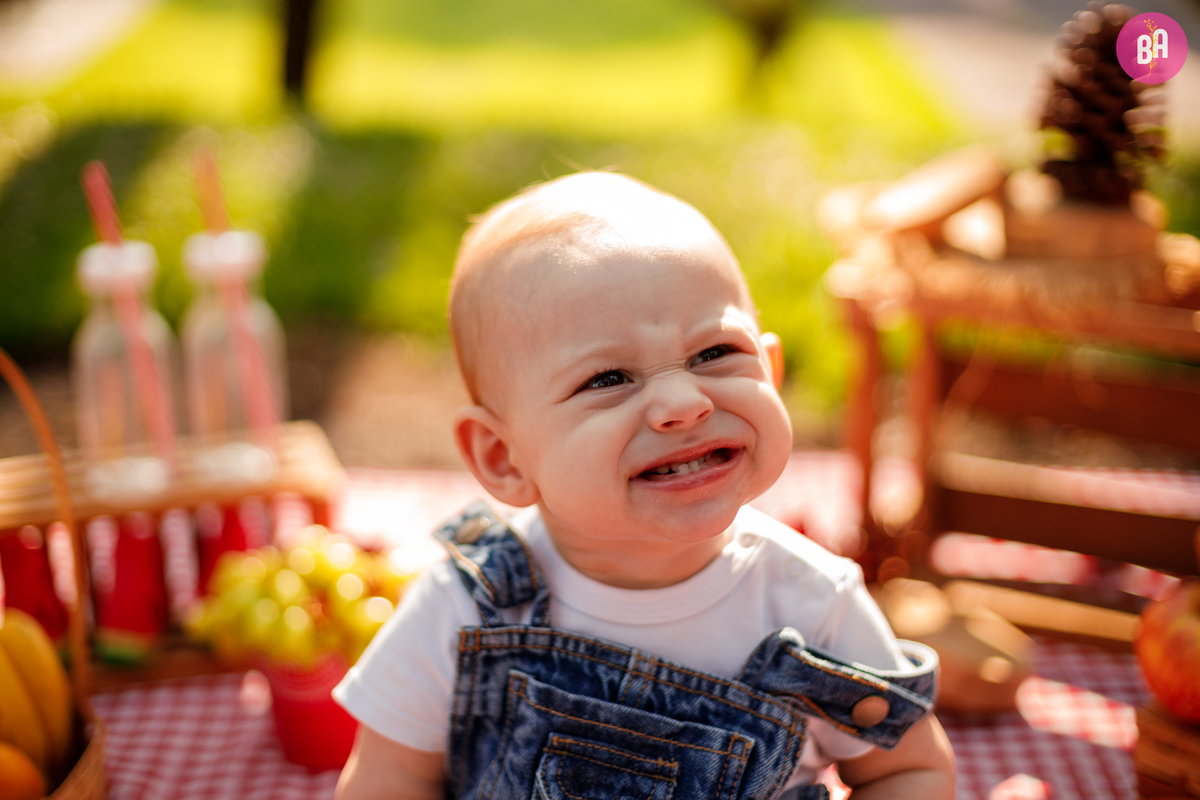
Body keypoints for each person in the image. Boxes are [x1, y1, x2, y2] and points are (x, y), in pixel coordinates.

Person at [333, 172, 956, 800]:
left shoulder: (810, 603)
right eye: (608, 379)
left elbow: (908, 769)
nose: (683, 402)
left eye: (715, 352)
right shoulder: (466, 606)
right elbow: (389, 781)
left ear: (770, 372)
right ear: (504, 458)